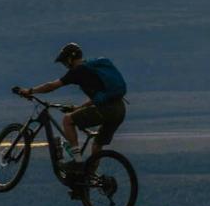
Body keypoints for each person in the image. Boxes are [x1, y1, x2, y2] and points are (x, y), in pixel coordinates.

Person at [11, 43, 128, 195]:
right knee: (97, 146)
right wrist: (78, 108)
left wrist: (30, 91)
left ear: (70, 59)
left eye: (64, 62)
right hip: (119, 109)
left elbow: (52, 86)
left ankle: (78, 162)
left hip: (107, 110)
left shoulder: (78, 71)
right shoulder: (91, 68)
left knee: (67, 120)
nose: (65, 66)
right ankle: (87, 179)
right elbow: (98, 97)